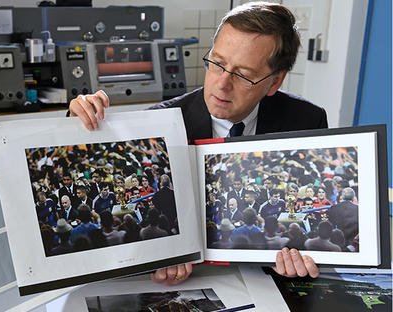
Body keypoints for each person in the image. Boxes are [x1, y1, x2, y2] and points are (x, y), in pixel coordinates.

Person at [69, 1, 322, 283]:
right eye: (217, 63)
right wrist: (79, 126)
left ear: (274, 82)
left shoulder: (307, 120)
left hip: (261, 280)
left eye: (243, 75)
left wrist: (293, 255)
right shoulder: (159, 123)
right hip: (192, 281)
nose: (222, 84)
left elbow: (299, 226)